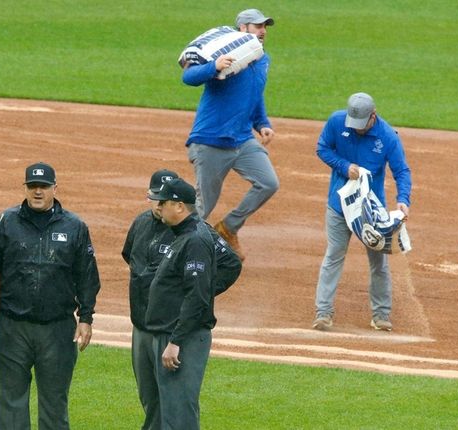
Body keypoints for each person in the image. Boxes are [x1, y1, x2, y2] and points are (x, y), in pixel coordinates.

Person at [0, 162, 101, 430]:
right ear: (24, 188)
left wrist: (86, 318)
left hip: (58, 329)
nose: (38, 192)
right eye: (32, 186)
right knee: (9, 403)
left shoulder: (75, 227)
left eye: (44, 187)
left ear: (54, 188)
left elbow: (87, 275)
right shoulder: (5, 222)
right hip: (11, 327)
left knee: (54, 404)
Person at [183, 8, 279, 261]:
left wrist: (261, 123)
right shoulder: (224, 54)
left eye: (264, 27)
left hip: (242, 140)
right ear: (242, 28)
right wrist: (213, 67)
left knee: (268, 183)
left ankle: (228, 228)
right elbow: (188, 77)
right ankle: (169, 250)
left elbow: (254, 93)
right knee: (203, 207)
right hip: (211, 140)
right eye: (258, 26)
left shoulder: (262, 59)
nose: (263, 31)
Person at [146, 178, 242, 430]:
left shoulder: (195, 239)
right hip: (174, 332)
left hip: (184, 338)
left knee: (180, 413)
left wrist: (175, 341)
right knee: (172, 410)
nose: (158, 206)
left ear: (178, 206)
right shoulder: (184, 234)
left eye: (163, 202)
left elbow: (197, 294)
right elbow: (196, 292)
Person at [312, 93, 412, 332]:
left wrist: (403, 200)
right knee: (334, 255)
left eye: (362, 125)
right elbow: (323, 148)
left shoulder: (387, 137)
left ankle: (381, 315)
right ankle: (323, 313)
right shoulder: (337, 122)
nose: (356, 129)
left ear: (373, 116)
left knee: (379, 262)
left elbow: (402, 171)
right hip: (338, 205)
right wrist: (344, 167)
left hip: (370, 212)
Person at [121, 169, 178, 430]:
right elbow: (129, 255)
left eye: (164, 199)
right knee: (147, 392)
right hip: (141, 325)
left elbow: (224, 266)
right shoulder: (140, 223)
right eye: (156, 198)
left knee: (171, 395)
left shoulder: (188, 232)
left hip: (169, 329)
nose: (159, 204)